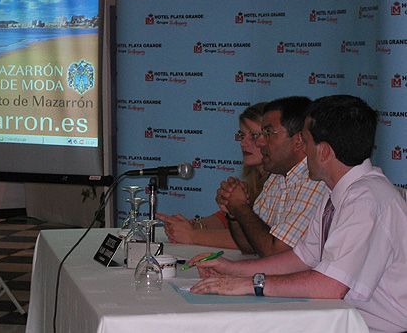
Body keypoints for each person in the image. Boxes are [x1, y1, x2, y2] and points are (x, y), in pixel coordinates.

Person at [190, 95, 407, 333]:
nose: (302, 148)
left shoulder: (366, 199)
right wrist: (231, 269)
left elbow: (330, 287)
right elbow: (301, 258)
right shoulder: (339, 192)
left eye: (305, 140)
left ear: (323, 152)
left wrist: (251, 284)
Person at [216, 96, 329, 257]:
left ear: (298, 140)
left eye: (268, 133)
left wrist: (240, 207)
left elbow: (276, 252)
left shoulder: (315, 180)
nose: (260, 142)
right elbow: (249, 246)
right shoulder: (277, 176)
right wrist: (233, 212)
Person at [156, 102, 268, 249]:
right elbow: (226, 220)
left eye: (253, 136)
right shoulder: (254, 182)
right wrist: (195, 225)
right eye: (242, 135)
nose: (243, 143)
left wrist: (192, 235)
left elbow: (260, 238)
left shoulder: (282, 182)